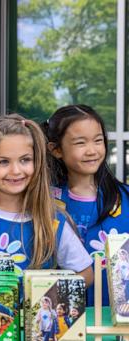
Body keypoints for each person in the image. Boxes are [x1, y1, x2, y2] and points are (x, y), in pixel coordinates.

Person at [0, 114, 93, 286]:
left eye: (25, 160)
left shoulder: (52, 221)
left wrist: (48, 295)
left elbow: (85, 273)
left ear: (37, 162)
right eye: (3, 162)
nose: (16, 170)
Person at [42, 104, 129, 305]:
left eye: (98, 141)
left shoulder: (125, 198)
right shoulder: (45, 202)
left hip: (118, 325)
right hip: (66, 322)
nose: (92, 150)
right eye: (80, 143)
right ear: (56, 149)